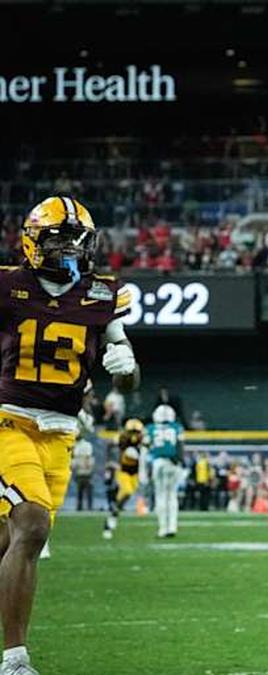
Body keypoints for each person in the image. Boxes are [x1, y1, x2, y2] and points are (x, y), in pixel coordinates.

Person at [0, 196, 140, 675]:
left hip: (61, 435)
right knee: (33, 525)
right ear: (34, 242)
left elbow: (127, 379)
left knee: (11, 539)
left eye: (78, 240)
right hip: (8, 421)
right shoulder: (6, 286)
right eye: (60, 238)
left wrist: (127, 370)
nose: (71, 248)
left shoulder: (103, 295)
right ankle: (15, 661)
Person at [146, 404, 184, 538]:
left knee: (160, 495)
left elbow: (146, 448)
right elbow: (180, 447)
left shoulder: (150, 428)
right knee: (172, 495)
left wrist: (145, 470)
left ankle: (162, 528)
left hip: (157, 463)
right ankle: (172, 527)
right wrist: (180, 461)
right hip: (172, 463)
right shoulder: (177, 427)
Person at [103, 419, 145, 539]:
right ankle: (113, 514)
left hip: (136, 473)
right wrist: (110, 462)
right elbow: (110, 445)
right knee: (126, 492)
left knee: (126, 496)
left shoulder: (143, 439)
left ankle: (113, 514)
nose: (134, 435)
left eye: (136, 432)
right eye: (132, 432)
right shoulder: (121, 438)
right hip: (123, 471)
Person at [70, 439, 96, 512]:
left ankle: (89, 507)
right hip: (81, 475)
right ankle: (80, 507)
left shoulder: (89, 458)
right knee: (81, 492)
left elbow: (90, 465)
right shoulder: (79, 457)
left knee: (87, 492)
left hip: (87, 475)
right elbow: (74, 465)